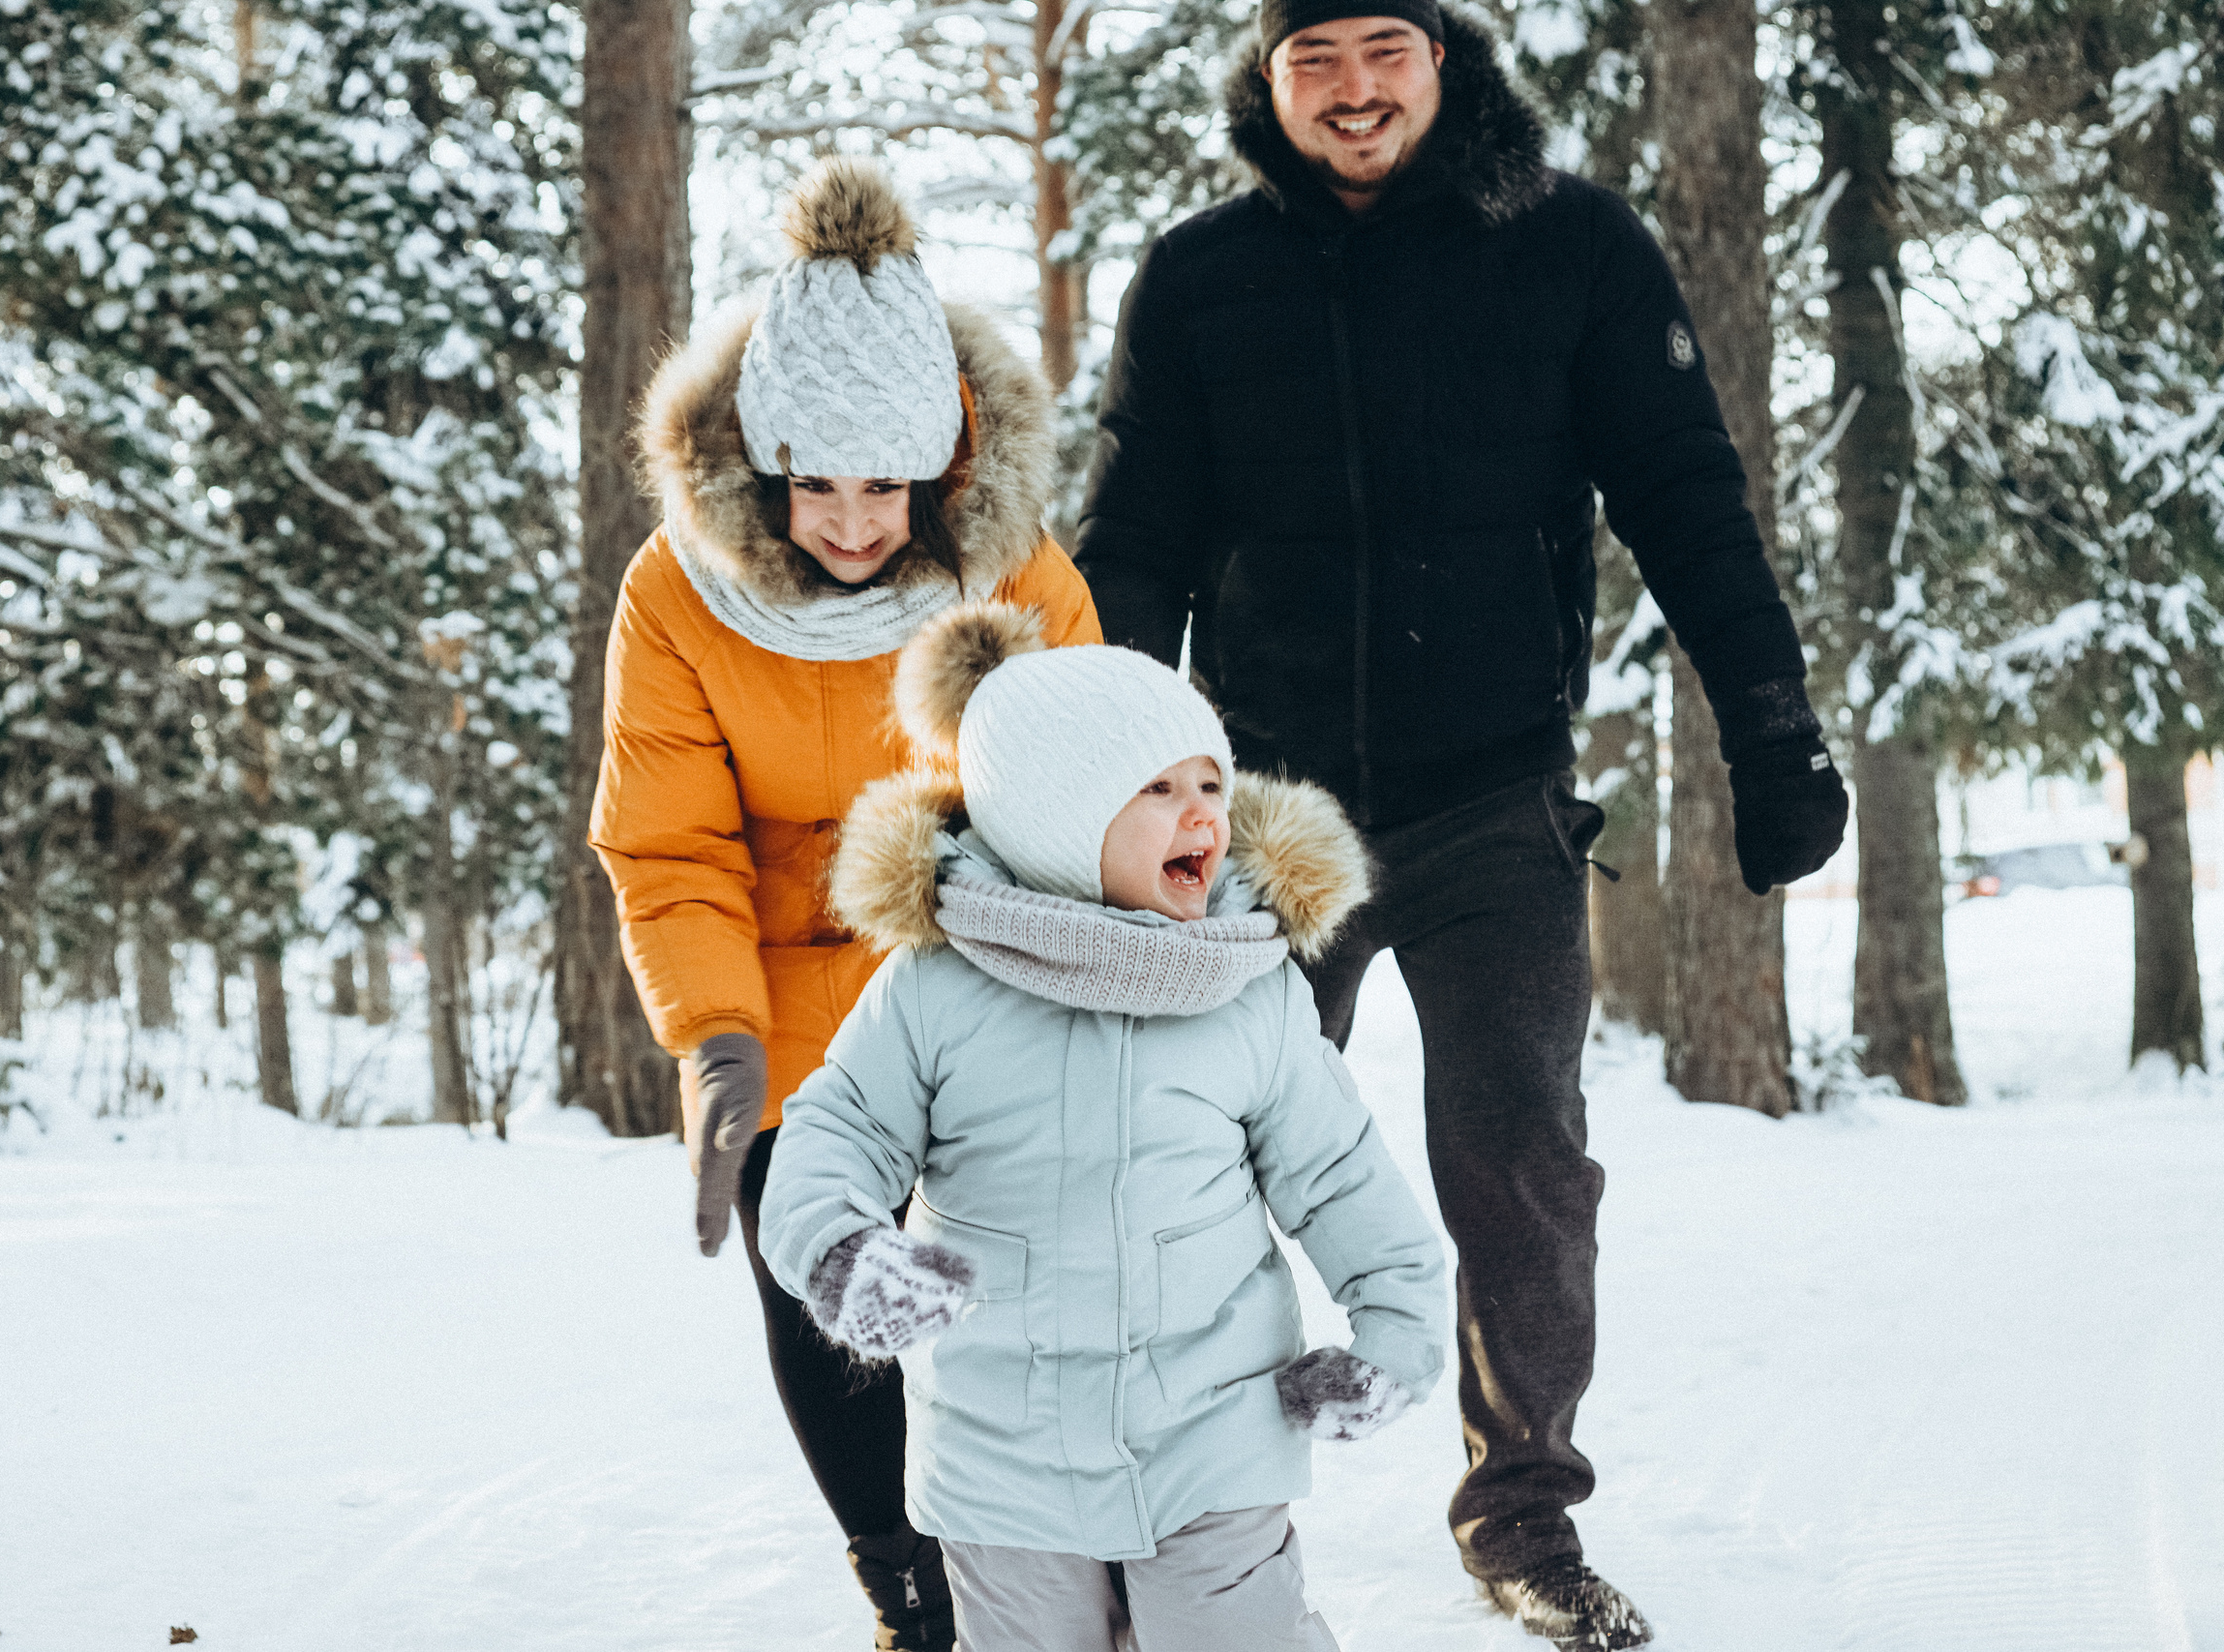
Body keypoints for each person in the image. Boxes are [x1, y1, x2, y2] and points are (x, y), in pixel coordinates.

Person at [1071, 3, 1850, 1646]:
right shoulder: (1203, 278)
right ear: (1271, 78)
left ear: (1440, 58)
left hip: (1493, 796)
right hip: (1263, 819)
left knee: (1519, 1165)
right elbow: (1131, 544)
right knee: (1183, 1165)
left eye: (1380, 51)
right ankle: (1181, 1522)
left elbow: (1691, 501)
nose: (1350, 91)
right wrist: (1102, 796)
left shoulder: (1568, 246)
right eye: (1314, 60)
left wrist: (1770, 735)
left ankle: (1523, 1520)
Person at [590, 160, 1100, 1648]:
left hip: (973, 958)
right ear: (760, 463)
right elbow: (670, 843)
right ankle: (903, 1574)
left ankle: (1054, 1551)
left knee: (1023, 1279)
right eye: (818, 480)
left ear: (945, 465)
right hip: (776, 979)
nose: (856, 520)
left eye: (889, 483)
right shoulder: (676, 595)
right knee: (822, 1269)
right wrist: (716, 1042)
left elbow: (1080, 802)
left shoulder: (1020, 577)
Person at [759, 602, 1450, 1651]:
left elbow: (1341, 1175)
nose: (1202, 817)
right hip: (1001, 1457)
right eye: (1158, 790)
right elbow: (833, 1129)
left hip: (1211, 1435)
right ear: (1051, 819)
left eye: (1210, 784)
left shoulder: (1250, 990)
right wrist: (843, 1249)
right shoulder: (935, 988)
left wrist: (1396, 1331)